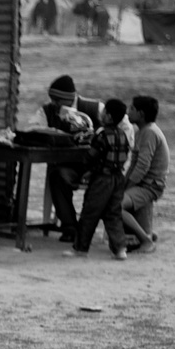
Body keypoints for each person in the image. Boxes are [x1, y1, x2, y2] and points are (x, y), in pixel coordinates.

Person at [69, 98, 131, 260]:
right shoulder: (123, 134)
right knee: (113, 214)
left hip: (102, 179)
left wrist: (84, 170)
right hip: (118, 178)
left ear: (109, 117)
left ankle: (80, 248)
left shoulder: (102, 134)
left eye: (104, 113)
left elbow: (91, 157)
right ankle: (120, 249)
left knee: (90, 212)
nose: (101, 114)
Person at [44, 74, 102, 241]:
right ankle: (70, 227)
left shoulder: (94, 108)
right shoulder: (48, 111)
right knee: (57, 176)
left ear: (68, 99)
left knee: (103, 184)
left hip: (95, 166)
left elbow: (124, 128)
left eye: (57, 100)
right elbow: (35, 126)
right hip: (69, 165)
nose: (54, 103)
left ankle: (87, 229)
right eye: (52, 99)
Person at [121, 94, 168, 254]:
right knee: (116, 197)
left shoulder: (149, 133)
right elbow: (134, 163)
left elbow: (142, 166)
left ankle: (146, 241)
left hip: (150, 186)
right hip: (143, 183)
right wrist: (124, 184)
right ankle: (144, 231)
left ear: (141, 114)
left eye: (132, 108)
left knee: (115, 206)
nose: (128, 111)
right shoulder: (142, 131)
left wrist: (128, 186)